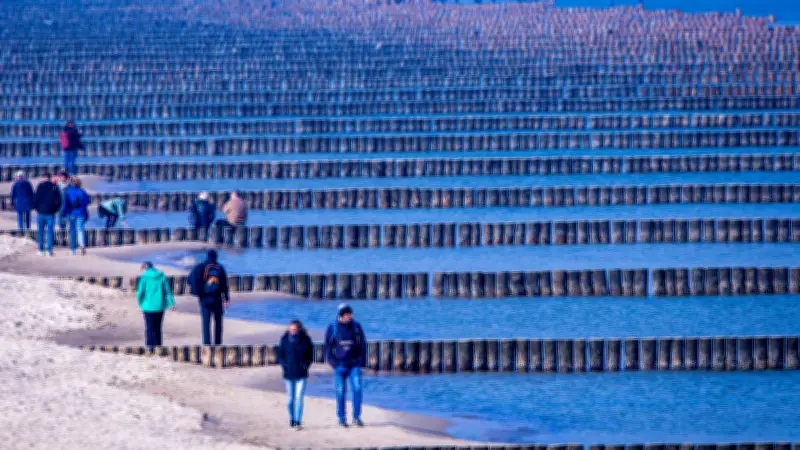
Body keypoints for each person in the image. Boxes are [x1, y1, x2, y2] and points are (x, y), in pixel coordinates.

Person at [324, 303, 367, 428]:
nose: (350, 316)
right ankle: (342, 419)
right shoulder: (333, 328)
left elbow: (363, 344)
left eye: (350, 314)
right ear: (341, 315)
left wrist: (361, 361)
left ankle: (356, 418)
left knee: (357, 389)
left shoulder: (356, 326)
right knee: (340, 392)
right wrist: (333, 363)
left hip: (354, 365)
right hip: (339, 366)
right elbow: (327, 347)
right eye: (347, 314)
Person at [277, 319, 314, 430]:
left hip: (301, 374)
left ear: (299, 329)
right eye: (291, 329)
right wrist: (285, 366)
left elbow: (310, 356)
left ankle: (298, 421)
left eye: (294, 329)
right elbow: (280, 356)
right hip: (288, 374)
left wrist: (305, 366)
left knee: (299, 398)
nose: (292, 331)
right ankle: (292, 419)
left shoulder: (306, 340)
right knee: (290, 399)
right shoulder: (284, 339)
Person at [188, 249, 230, 345]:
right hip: (217, 299)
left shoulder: (200, 266)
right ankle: (218, 344)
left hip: (204, 299)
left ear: (207, 256)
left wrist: (199, 292)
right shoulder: (220, 268)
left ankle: (207, 344)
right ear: (216, 257)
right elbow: (224, 285)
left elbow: (190, 280)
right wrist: (226, 298)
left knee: (206, 324)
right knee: (218, 323)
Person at [136, 262, 175, 346]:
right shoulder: (162, 276)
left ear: (145, 267)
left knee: (149, 328)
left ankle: (149, 347)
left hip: (147, 306)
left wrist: (140, 303)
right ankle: (158, 347)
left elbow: (140, 293)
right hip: (160, 306)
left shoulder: (144, 277)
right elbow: (168, 291)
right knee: (158, 328)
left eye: (142, 268)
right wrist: (172, 303)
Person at [33, 173, 62, 257]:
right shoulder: (54, 186)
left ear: (43, 177)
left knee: (41, 232)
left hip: (41, 212)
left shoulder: (40, 186)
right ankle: (49, 250)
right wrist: (55, 210)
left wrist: (37, 209)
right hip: (50, 212)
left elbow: (35, 199)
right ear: (50, 178)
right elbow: (59, 200)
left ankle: (40, 250)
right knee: (50, 232)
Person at [62, 177, 92, 255]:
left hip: (71, 213)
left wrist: (64, 213)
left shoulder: (69, 192)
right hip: (81, 213)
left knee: (72, 231)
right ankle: (82, 246)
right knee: (80, 230)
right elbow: (88, 202)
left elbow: (66, 204)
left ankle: (73, 250)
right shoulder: (82, 191)